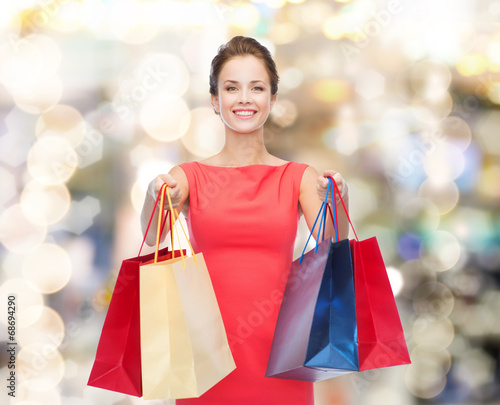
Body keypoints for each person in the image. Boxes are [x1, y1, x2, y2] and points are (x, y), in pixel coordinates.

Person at [140, 36, 349, 405]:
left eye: (257, 87)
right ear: (215, 100)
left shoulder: (297, 177)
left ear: (273, 99)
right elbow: (153, 236)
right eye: (232, 88)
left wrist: (340, 201)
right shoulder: (190, 176)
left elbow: (331, 245)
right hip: (208, 360)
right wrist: (155, 194)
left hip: (281, 358)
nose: (244, 98)